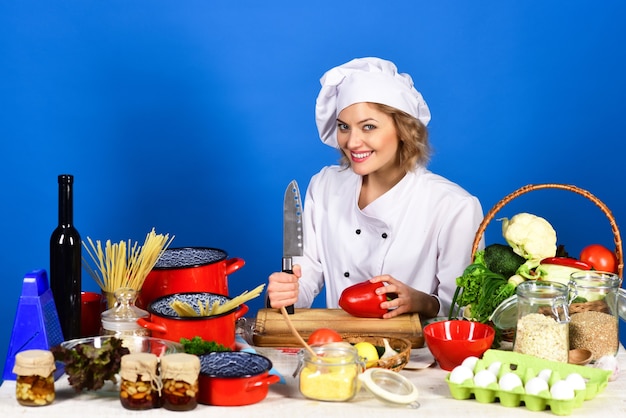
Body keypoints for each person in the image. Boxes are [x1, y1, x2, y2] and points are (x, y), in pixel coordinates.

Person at [267, 57, 484, 319]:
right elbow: (306, 277)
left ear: (404, 130)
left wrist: (421, 301)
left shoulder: (453, 206)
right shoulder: (324, 186)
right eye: (344, 127)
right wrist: (285, 293)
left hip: (416, 354)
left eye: (368, 127)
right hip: (337, 351)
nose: (352, 142)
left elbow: (465, 311)